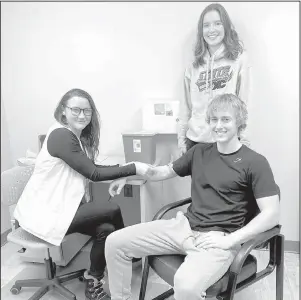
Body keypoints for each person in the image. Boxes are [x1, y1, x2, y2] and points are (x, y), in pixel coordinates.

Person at [106, 94, 279, 300]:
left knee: (186, 286)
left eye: (226, 119)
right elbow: (160, 172)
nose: (218, 126)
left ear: (239, 123)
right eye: (214, 120)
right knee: (115, 242)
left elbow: (271, 214)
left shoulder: (255, 162)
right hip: (183, 227)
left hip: (218, 239)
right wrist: (127, 173)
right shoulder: (199, 152)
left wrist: (231, 240)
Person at [13, 88, 146, 300]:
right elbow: (93, 173)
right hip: (43, 217)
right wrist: (134, 167)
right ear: (63, 111)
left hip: (59, 210)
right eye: (76, 109)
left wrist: (122, 172)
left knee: (107, 229)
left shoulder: (72, 136)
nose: (82, 115)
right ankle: (127, 252)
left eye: (87, 111)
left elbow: (90, 166)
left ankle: (93, 279)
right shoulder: (60, 136)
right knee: (111, 208)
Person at [178, 3, 252, 155]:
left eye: (217, 24)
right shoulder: (193, 66)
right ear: (201, 31)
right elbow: (186, 107)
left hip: (228, 141)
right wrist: (181, 141)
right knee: (198, 181)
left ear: (225, 27)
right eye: (206, 25)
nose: (211, 30)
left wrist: (243, 140)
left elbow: (245, 103)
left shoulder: (238, 60)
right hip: (195, 143)